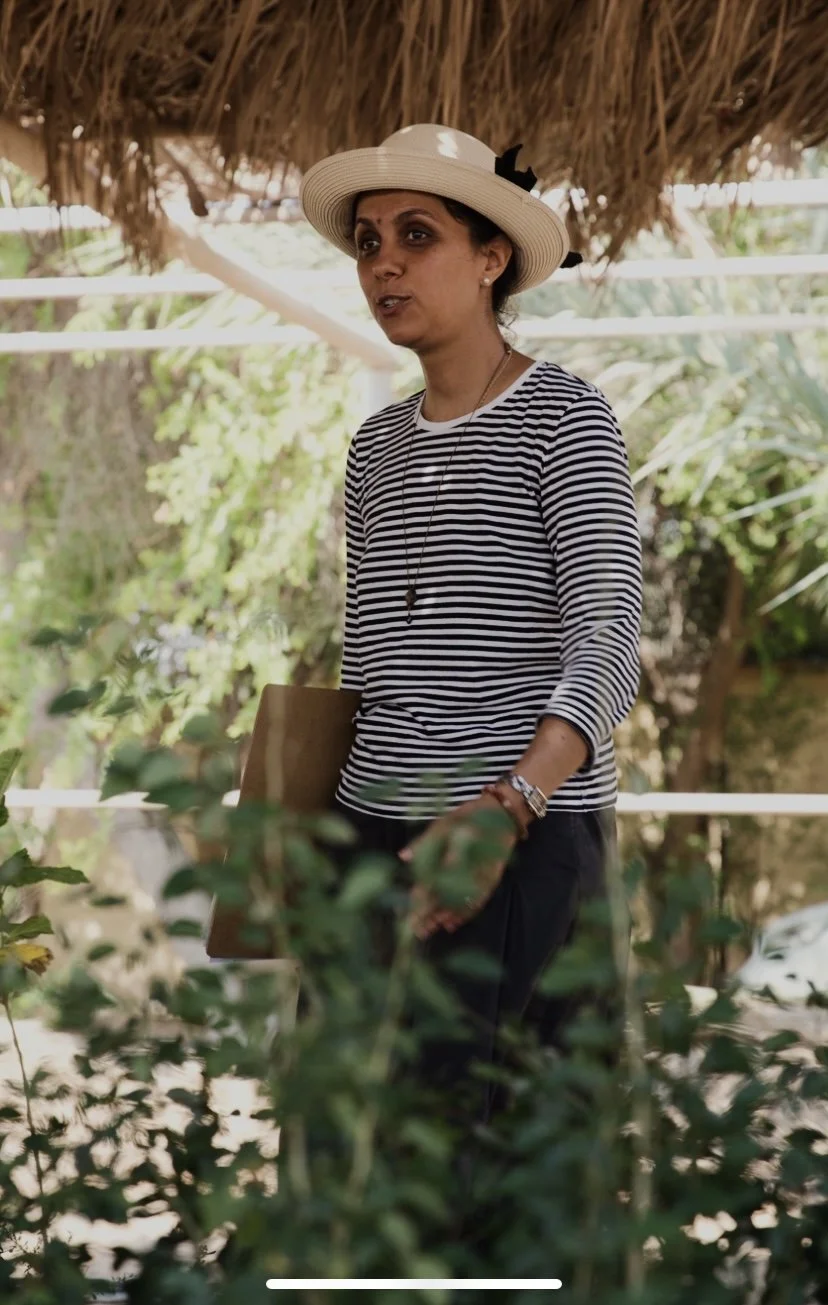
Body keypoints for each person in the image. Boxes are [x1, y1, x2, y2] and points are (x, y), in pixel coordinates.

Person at [299, 124, 642, 1143]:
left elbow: (610, 640)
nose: (385, 262)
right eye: (367, 242)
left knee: (490, 1171)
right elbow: (370, 665)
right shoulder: (374, 449)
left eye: (418, 234)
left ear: (493, 258)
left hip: (514, 841)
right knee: (354, 1159)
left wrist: (508, 809)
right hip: (372, 848)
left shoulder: (567, 420)